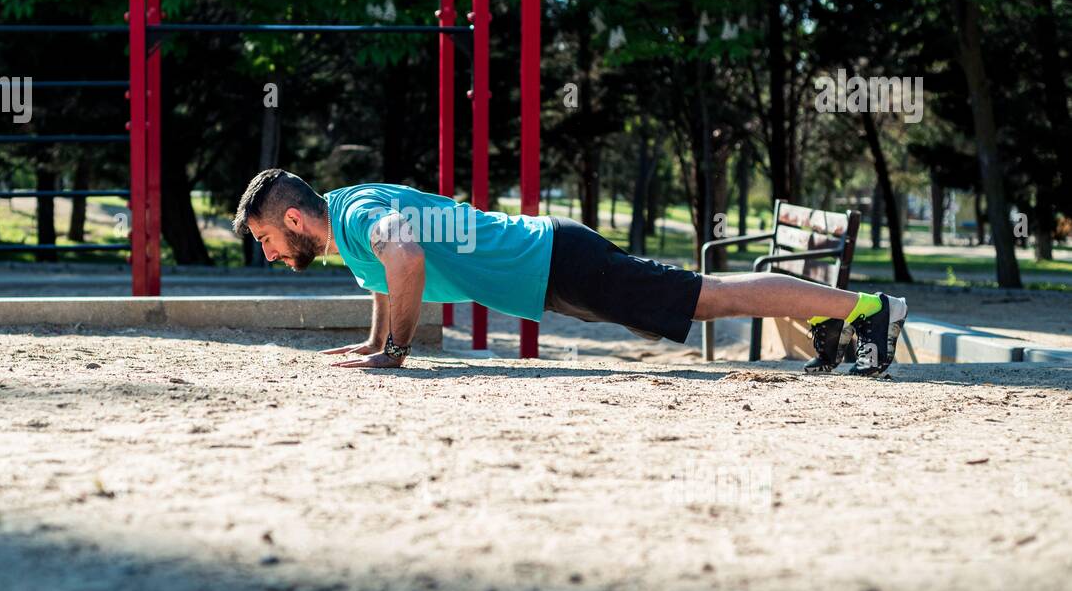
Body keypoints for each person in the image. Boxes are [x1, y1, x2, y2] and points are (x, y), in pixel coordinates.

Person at [233, 169, 908, 375]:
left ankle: (865, 309)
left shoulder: (354, 219)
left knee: (709, 298)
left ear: (293, 221)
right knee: (706, 298)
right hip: (554, 263)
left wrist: (399, 352)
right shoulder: (350, 213)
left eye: (264, 238)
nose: (268, 252)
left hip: (560, 262)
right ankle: (837, 317)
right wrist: (375, 342)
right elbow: (386, 275)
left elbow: (404, 255)